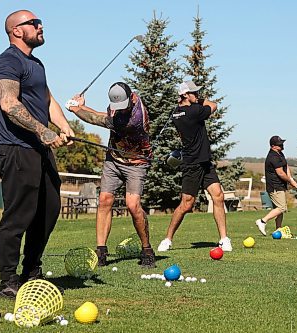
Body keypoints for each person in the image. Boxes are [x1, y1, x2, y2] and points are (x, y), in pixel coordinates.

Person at [0, 10, 74, 298]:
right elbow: (8, 102)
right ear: (16, 31)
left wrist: (64, 126)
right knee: (19, 215)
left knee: (49, 211)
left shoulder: (36, 64)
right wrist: (43, 131)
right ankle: (7, 280)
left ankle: (31, 271)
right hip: (17, 149)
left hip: (40, 150)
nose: (40, 27)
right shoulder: (8, 61)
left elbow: (48, 100)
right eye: (34, 23)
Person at [67, 82, 155, 268]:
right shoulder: (119, 104)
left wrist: (76, 110)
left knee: (132, 205)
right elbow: (103, 114)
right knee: (105, 200)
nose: (119, 110)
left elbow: (96, 119)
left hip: (136, 163)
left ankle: (147, 249)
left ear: (132, 97)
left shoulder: (135, 119)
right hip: (113, 159)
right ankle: (101, 251)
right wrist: (81, 105)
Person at [157, 81, 232, 252]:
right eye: (194, 93)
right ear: (184, 95)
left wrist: (193, 99)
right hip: (192, 164)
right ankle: (167, 239)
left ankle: (224, 238)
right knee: (186, 204)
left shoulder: (177, 112)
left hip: (204, 162)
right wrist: (200, 100)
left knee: (218, 196)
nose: (197, 96)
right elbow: (214, 105)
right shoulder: (193, 111)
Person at [255, 136, 297, 236]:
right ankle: (262, 221)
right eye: (279, 144)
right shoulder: (273, 157)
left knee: (279, 209)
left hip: (280, 186)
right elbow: (280, 173)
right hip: (274, 186)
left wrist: (291, 179)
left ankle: (278, 229)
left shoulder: (280, 154)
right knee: (282, 208)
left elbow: (285, 166)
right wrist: (290, 182)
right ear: (273, 146)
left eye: (282, 143)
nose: (282, 146)